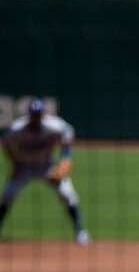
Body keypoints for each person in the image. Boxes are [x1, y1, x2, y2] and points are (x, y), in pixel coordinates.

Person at [0, 99, 90, 245]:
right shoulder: (17, 129)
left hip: (46, 166)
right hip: (24, 167)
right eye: (34, 114)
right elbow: (6, 145)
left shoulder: (54, 125)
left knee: (67, 194)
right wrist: (14, 165)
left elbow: (68, 134)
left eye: (39, 114)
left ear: (43, 114)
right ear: (29, 114)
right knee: (7, 195)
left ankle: (80, 232)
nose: (36, 116)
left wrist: (66, 158)